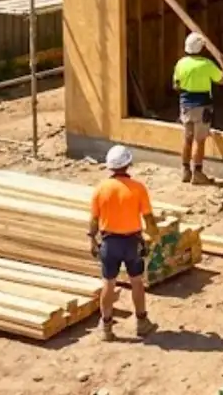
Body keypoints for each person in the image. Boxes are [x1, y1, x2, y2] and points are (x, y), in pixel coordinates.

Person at [88, 145, 159, 340]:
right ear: (128, 163)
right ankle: (142, 322)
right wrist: (155, 236)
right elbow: (149, 218)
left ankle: (107, 327)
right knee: (136, 282)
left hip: (109, 243)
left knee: (108, 284)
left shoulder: (100, 189)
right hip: (132, 243)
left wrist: (92, 240)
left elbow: (94, 219)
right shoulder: (138, 188)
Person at [173, 32, 223, 185]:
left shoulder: (181, 63)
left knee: (187, 138)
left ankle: (185, 171)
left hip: (185, 105)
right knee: (200, 140)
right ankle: (197, 173)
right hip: (202, 106)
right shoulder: (206, 64)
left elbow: (176, 85)